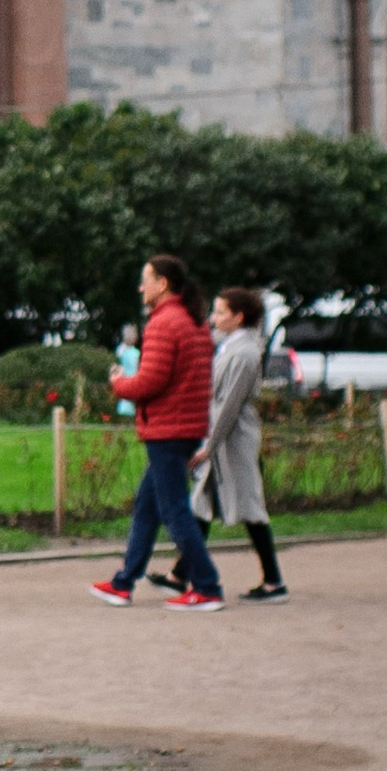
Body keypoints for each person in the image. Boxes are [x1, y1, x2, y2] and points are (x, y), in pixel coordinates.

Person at [91, 256, 222, 607]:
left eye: (144, 280)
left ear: (162, 284)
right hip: (185, 426)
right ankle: (124, 581)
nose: (140, 287)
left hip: (168, 429)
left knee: (175, 510)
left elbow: (151, 381)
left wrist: (119, 383)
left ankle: (207, 587)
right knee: (147, 507)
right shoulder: (192, 321)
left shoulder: (165, 323)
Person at [195, 288, 286, 599]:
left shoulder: (244, 353)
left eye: (220, 312)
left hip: (234, 441)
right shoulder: (232, 347)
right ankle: (180, 573)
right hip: (223, 439)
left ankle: (274, 581)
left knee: (249, 505)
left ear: (238, 317)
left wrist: (209, 444)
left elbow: (229, 405)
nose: (214, 318)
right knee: (203, 502)